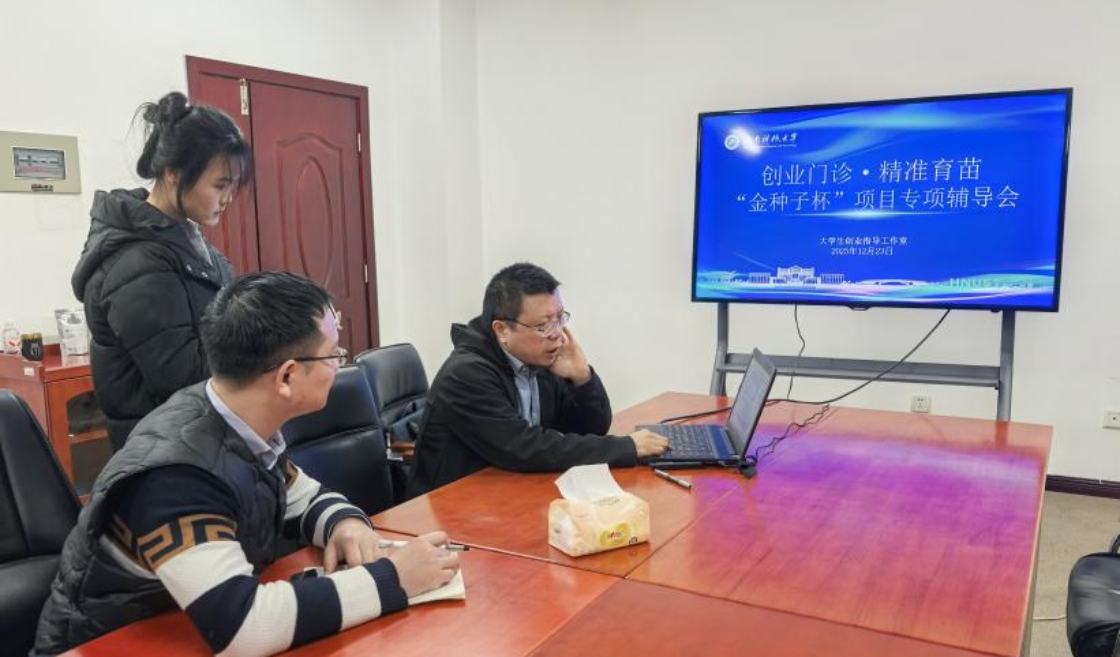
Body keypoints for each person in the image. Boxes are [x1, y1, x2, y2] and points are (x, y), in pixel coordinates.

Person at [34, 272, 459, 657]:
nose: (339, 365)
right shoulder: (177, 477)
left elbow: (304, 496)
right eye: (333, 355)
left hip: (185, 629)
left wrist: (346, 526)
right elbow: (244, 627)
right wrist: (394, 578)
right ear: (286, 377)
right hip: (112, 645)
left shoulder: (235, 417)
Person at [72, 91, 251, 450]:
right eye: (220, 185)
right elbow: (184, 378)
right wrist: (271, 345)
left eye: (233, 186)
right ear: (174, 174)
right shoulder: (136, 263)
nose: (228, 198)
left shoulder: (189, 244)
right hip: (164, 453)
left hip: (199, 440)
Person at [408, 262, 669, 496]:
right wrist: (625, 448)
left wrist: (582, 378)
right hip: (449, 509)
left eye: (560, 318)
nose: (556, 333)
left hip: (511, 491)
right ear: (502, 330)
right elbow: (524, 447)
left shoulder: (538, 358)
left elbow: (588, 430)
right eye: (544, 325)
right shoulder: (466, 375)